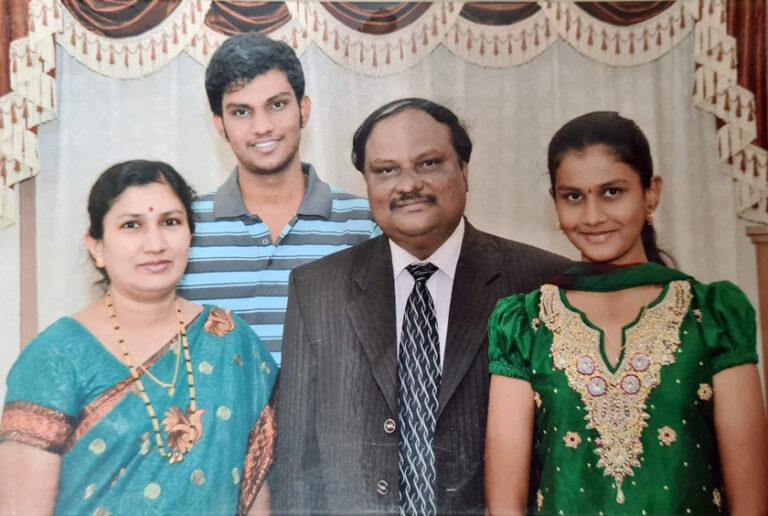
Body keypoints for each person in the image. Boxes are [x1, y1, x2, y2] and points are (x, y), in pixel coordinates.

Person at [274, 98, 569, 514]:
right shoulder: (317, 289)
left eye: (428, 163)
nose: (407, 184)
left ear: (464, 170)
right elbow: (295, 470)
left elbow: (566, 458)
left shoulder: (542, 284)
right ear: (368, 184)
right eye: (386, 170)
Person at [485, 111, 768, 515]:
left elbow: (752, 505)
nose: (593, 216)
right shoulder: (525, 324)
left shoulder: (710, 316)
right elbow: (505, 508)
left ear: (651, 193)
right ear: (555, 201)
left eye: (612, 192)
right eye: (573, 196)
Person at [0, 160, 277, 515]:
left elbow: (254, 491)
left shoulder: (229, 340)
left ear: (190, 235)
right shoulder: (56, 356)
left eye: (170, 222)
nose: (155, 243)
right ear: (96, 247)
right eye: (132, 225)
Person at [178, 33, 377, 366]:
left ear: (304, 109)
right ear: (220, 126)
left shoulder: (365, 223)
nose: (263, 126)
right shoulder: (183, 229)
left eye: (277, 104)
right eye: (241, 112)